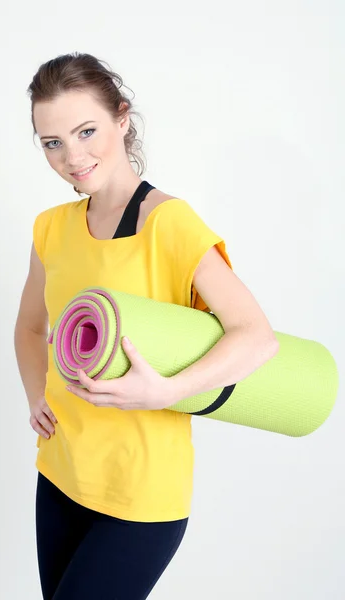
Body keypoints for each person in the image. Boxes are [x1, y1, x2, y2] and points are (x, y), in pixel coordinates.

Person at [14, 52, 279, 600]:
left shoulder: (170, 224)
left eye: (86, 131)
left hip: (141, 494)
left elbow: (256, 335)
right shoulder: (50, 229)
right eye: (52, 143)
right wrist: (34, 393)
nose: (72, 156)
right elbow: (28, 327)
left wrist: (168, 390)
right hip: (62, 473)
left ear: (122, 118)